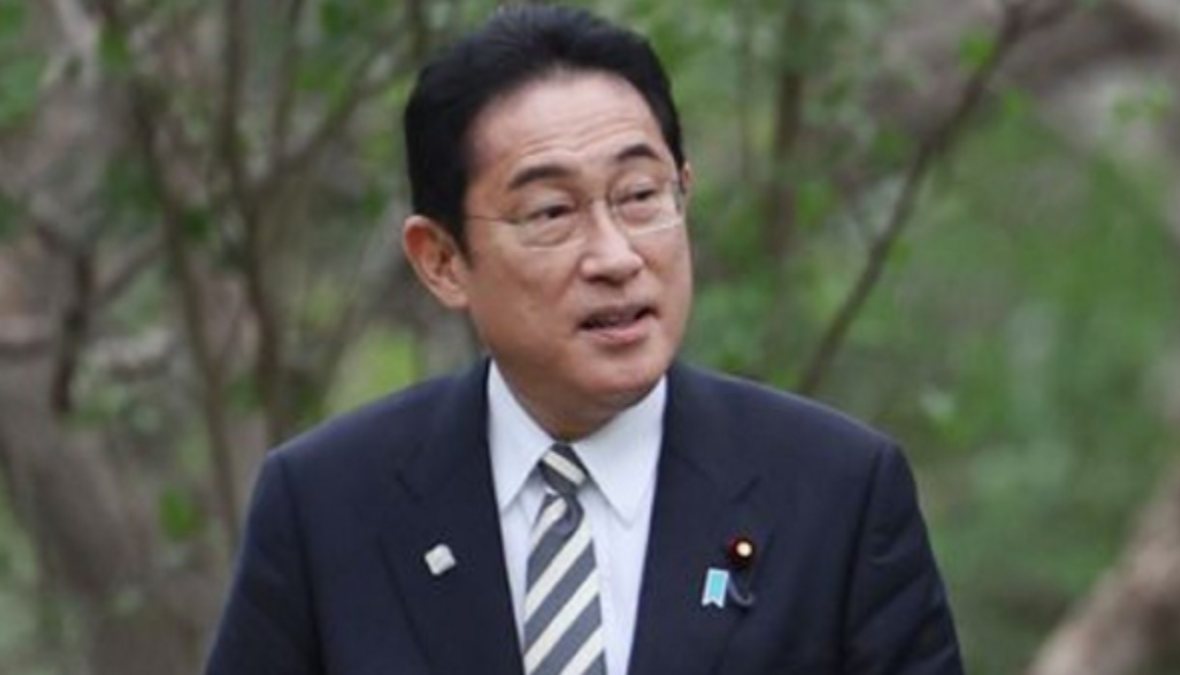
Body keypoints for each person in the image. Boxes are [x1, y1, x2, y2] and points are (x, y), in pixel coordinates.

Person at [206, 6, 963, 674]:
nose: (615, 256)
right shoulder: (326, 505)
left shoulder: (837, 493)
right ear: (441, 260)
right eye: (551, 213)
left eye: (640, 196)